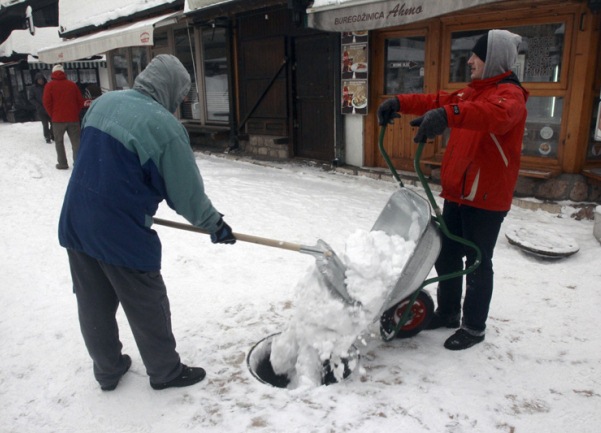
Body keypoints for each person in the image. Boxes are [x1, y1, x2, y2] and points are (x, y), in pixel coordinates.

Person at [58, 54, 237, 391]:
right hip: (119, 230)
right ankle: (165, 371)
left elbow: (101, 159)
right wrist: (215, 225)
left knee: (93, 300)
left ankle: (108, 370)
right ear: (170, 88)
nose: (182, 100)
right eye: (182, 93)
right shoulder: (164, 127)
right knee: (146, 302)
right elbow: (186, 195)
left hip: (76, 218)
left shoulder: (104, 102)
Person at [377, 29, 528, 350]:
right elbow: (436, 99)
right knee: (446, 256)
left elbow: (495, 116)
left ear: (494, 60)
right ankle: (447, 313)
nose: (470, 60)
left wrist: (449, 114)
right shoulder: (472, 92)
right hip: (459, 193)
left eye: (477, 55)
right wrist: (399, 102)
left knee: (477, 261)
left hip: (486, 199)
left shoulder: (509, 96)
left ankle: (474, 327)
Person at [43, 64, 84, 169]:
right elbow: (80, 101)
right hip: (73, 118)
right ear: (63, 72)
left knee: (59, 142)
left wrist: (53, 114)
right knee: (76, 142)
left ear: (53, 73)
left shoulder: (49, 86)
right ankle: (78, 163)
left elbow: (46, 102)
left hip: (57, 119)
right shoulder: (72, 85)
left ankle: (62, 163)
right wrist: (75, 112)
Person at [30, 72, 53, 143]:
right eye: (39, 79)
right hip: (40, 109)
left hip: (49, 108)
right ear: (36, 80)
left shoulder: (48, 86)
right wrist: (38, 105)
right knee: (45, 124)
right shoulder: (33, 88)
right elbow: (31, 98)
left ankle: (52, 134)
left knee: (53, 123)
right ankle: (47, 136)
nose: (41, 81)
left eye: (42, 79)